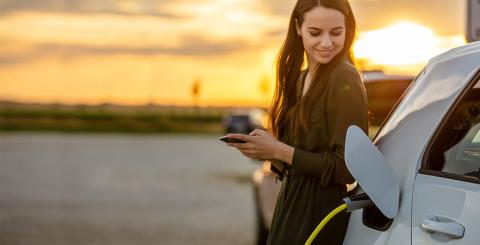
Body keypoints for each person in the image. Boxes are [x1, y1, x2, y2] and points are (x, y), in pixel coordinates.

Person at [227, 0, 368, 244]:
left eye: (336, 32)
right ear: (298, 28)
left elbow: (346, 169)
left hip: (320, 213)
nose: (326, 43)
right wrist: (266, 150)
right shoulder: (300, 79)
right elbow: (299, 156)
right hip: (290, 203)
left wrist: (279, 150)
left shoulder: (343, 78)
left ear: (348, 30)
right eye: (315, 32)